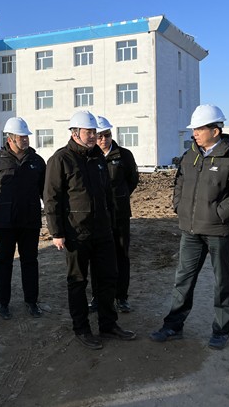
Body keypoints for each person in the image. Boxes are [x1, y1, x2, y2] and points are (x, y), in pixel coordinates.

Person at [150, 104, 229, 350]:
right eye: (194, 129)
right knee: (183, 280)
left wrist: (219, 213)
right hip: (190, 231)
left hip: (219, 231)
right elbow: (179, 181)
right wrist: (178, 205)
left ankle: (221, 330)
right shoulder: (190, 155)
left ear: (215, 130)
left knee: (223, 282)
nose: (195, 133)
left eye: (199, 129)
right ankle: (173, 326)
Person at [44, 110, 136, 350]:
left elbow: (106, 194)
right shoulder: (60, 159)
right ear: (75, 133)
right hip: (76, 232)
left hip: (103, 230)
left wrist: (111, 221)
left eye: (95, 131)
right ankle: (82, 328)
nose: (94, 136)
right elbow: (52, 198)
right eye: (89, 132)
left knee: (107, 278)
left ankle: (108, 324)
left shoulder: (97, 158)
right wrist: (56, 232)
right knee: (78, 281)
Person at [0, 117, 46, 320]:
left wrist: (54, 216)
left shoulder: (37, 161)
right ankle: (3, 303)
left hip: (30, 220)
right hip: (4, 221)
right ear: (10, 139)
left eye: (26, 137)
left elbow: (46, 192)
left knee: (30, 262)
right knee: (3, 263)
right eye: (21, 137)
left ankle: (32, 301)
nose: (25, 140)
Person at [91, 115, 139, 313]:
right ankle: (98, 297)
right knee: (98, 258)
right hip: (97, 216)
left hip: (119, 214)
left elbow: (132, 180)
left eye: (107, 135)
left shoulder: (124, 155)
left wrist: (120, 196)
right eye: (100, 136)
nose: (103, 139)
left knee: (121, 255)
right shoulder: (90, 157)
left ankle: (121, 297)